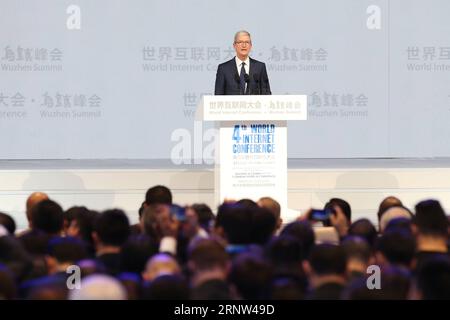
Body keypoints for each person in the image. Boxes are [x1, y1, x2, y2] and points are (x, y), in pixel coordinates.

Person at [214, 30, 271, 95]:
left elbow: (267, 94)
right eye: (240, 42)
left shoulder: (260, 67)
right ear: (234, 45)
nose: (244, 45)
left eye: (247, 42)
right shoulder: (223, 69)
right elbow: (218, 96)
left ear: (250, 45)